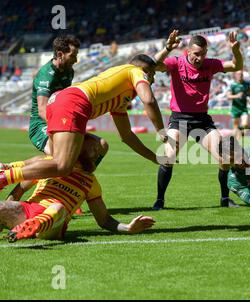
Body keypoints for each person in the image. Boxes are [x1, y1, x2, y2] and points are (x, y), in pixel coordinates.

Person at [0, 54, 168, 192]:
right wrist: (162, 132)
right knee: (63, 166)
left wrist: (156, 158)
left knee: (95, 147)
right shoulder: (135, 71)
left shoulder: (122, 96)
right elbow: (149, 100)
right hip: (74, 103)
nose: (152, 80)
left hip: (62, 100)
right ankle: (4, 178)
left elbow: (127, 136)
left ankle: (8, 172)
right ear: (146, 71)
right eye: (152, 75)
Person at [9, 35, 108, 205]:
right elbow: (42, 109)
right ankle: (13, 192)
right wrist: (65, 129)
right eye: (73, 56)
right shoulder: (46, 75)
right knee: (58, 159)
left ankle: (72, 191)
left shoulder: (69, 71)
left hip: (61, 122)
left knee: (101, 145)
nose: (76, 60)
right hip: (41, 124)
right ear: (60, 54)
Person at [0, 135, 155, 242]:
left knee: (57, 207)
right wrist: (7, 208)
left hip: (54, 223)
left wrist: (128, 228)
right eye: (93, 149)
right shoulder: (48, 164)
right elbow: (18, 186)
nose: (96, 155)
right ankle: (24, 228)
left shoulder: (91, 182)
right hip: (27, 211)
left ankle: (35, 226)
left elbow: (104, 220)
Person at [151, 30, 244, 210]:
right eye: (196, 54)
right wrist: (167, 48)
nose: (200, 58)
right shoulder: (177, 62)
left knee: (225, 157)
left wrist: (236, 50)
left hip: (202, 120)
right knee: (168, 157)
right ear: (187, 51)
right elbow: (154, 65)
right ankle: (160, 200)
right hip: (179, 119)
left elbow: (236, 66)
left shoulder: (210, 64)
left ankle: (225, 199)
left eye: (203, 54)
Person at [227, 70, 250, 140]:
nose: (240, 76)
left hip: (244, 108)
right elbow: (228, 96)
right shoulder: (233, 85)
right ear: (235, 75)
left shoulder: (246, 84)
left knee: (244, 124)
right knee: (235, 128)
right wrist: (236, 96)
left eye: (241, 75)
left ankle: (239, 134)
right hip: (235, 109)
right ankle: (236, 142)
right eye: (238, 74)